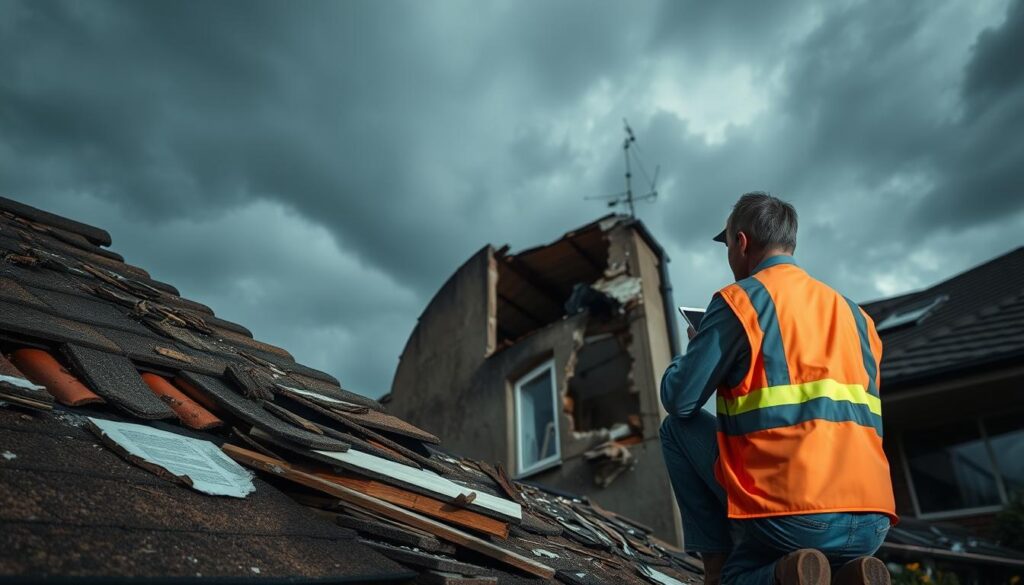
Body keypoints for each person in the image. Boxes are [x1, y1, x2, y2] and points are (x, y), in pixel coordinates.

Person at [659, 193, 897, 585]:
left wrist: (697, 350)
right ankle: (848, 574)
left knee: (674, 430)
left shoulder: (739, 302)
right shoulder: (859, 318)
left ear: (741, 242)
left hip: (796, 515)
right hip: (872, 522)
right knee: (822, 562)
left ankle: (745, 574)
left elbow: (680, 401)